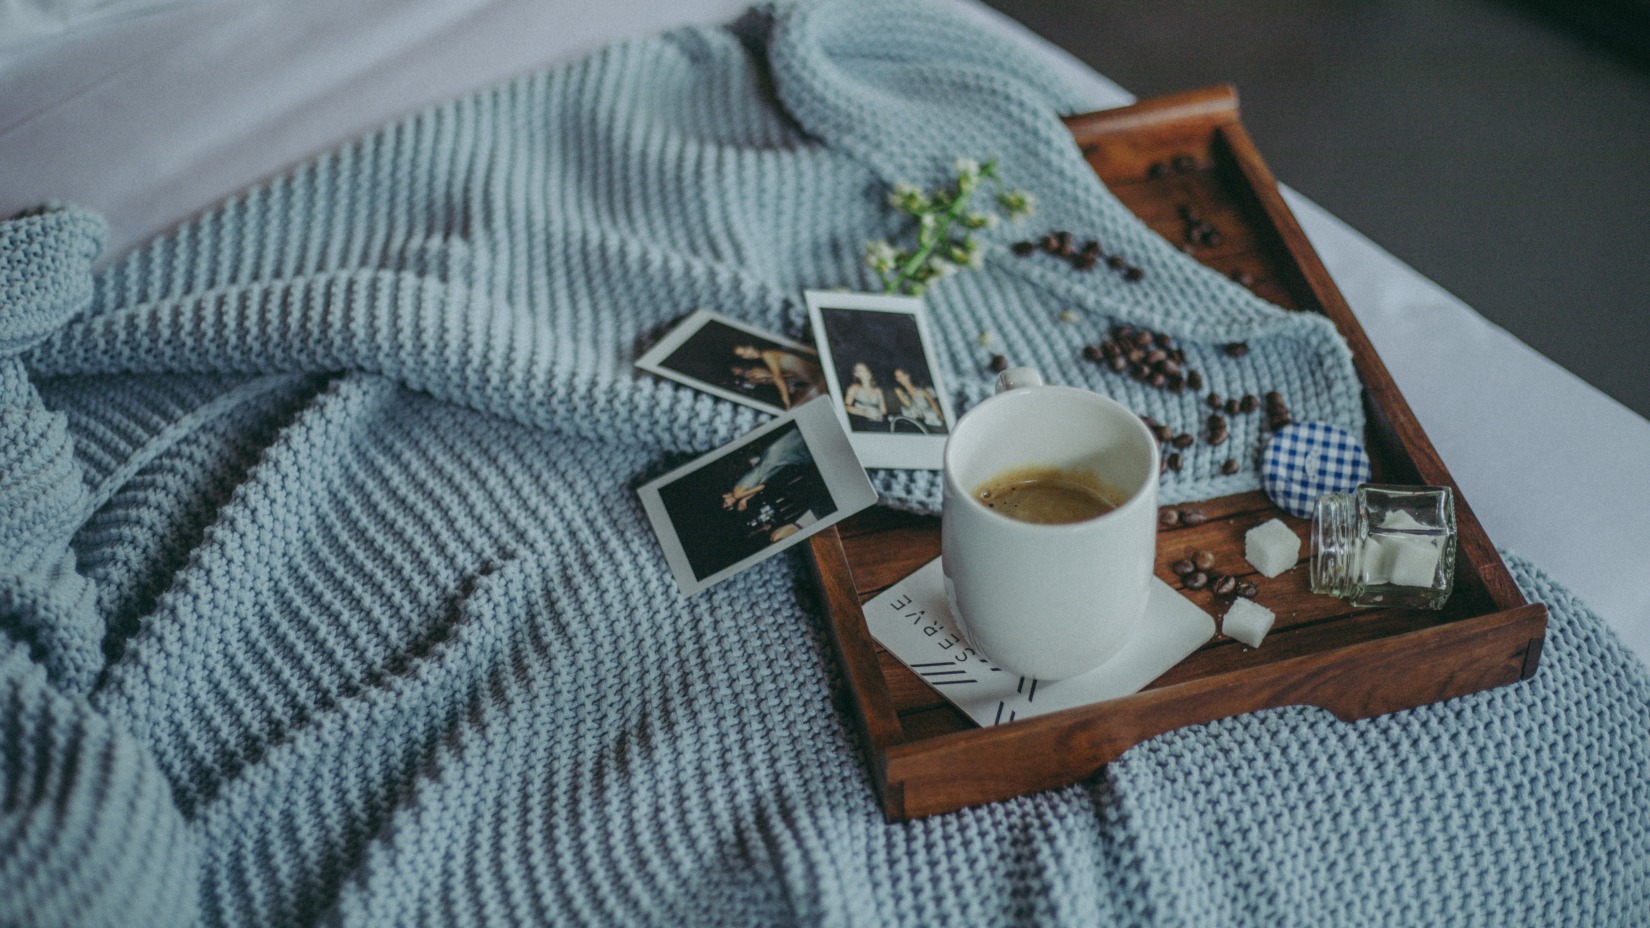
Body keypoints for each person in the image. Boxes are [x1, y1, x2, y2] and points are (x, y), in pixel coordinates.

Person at [721, 429, 819, 542]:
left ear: (725, 496)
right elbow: (752, 486)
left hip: (771, 464)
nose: (731, 503)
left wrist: (744, 499)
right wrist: (745, 500)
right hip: (768, 464)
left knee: (798, 451)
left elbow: (760, 487)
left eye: (727, 502)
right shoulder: (736, 490)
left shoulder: (737, 494)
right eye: (730, 505)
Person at [732, 344, 823, 410]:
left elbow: (778, 377)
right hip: (811, 378)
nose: (747, 355)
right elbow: (789, 374)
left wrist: (785, 399)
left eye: (746, 349)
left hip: (817, 375)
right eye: (743, 355)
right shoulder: (764, 360)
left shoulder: (767, 354)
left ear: (751, 346)